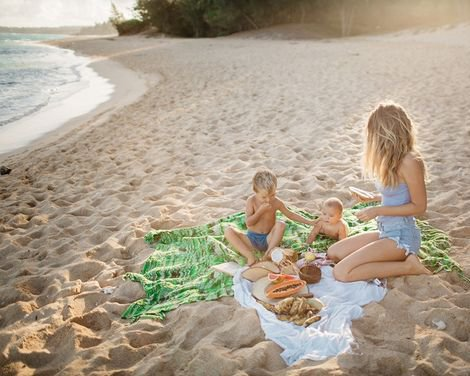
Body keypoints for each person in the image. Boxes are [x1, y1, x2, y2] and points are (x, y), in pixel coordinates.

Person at [327, 102, 431, 282]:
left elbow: (419, 206)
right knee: (333, 252)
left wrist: (377, 210)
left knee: (341, 272)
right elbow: (400, 196)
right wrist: (373, 199)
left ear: (386, 133)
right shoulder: (392, 159)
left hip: (402, 237)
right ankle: (397, 260)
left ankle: (409, 266)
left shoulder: (410, 161)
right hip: (386, 231)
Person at [224, 168, 315, 266]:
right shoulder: (251, 201)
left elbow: (290, 214)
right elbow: (249, 223)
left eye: (272, 195)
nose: (268, 200)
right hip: (251, 239)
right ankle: (250, 256)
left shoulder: (276, 202)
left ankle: (268, 253)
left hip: (269, 239)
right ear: (255, 191)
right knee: (228, 230)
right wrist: (260, 211)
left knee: (281, 224)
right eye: (264, 197)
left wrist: (310, 222)